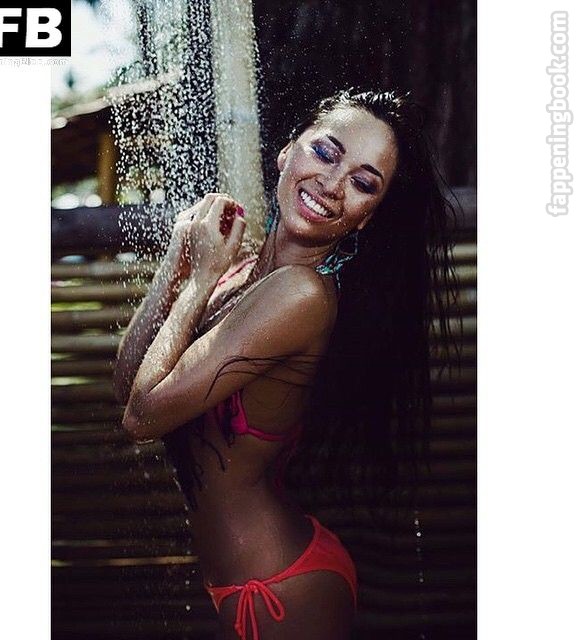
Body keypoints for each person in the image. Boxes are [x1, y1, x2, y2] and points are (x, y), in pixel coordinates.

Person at [112, 88, 457, 640]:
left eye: (363, 183)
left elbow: (142, 417)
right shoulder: (242, 271)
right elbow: (128, 385)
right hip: (239, 578)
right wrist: (179, 263)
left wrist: (199, 280)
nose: (332, 184)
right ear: (287, 151)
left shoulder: (302, 295)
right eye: (326, 153)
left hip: (281, 590)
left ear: (367, 217)